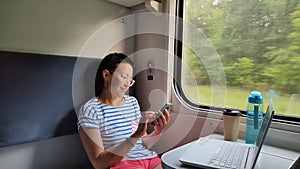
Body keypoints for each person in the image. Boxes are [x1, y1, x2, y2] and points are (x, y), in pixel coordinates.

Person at [77, 53, 170, 169]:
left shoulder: (132, 102)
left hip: (148, 159)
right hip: (122, 164)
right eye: (124, 77)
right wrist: (136, 135)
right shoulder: (91, 111)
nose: (127, 84)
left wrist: (157, 131)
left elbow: (144, 143)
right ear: (106, 75)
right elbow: (98, 163)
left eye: (130, 80)